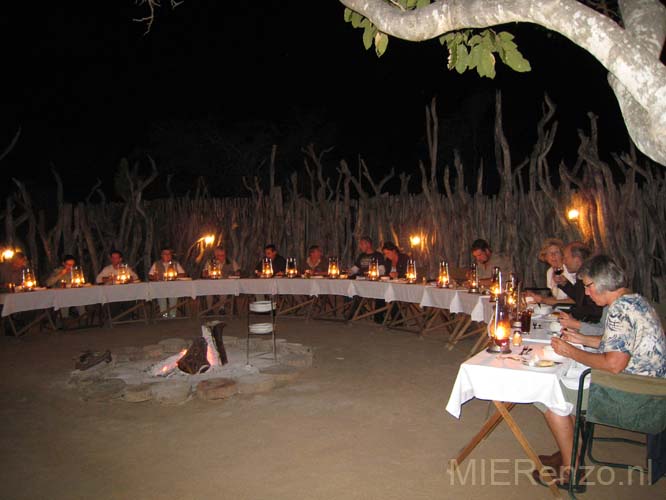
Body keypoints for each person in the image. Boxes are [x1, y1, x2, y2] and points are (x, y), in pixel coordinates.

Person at [533, 255, 666, 490]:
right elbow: (618, 343)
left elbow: (614, 364)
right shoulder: (633, 300)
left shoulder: (620, 311)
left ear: (600, 283)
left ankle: (572, 470)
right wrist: (582, 338)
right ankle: (569, 449)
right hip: (649, 388)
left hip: (637, 397)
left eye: (587, 286)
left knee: (550, 394)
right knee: (565, 380)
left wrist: (571, 351)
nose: (586, 293)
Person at [551, 242, 603, 324]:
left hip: (592, 327)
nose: (564, 262)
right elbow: (579, 297)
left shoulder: (592, 276)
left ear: (577, 259)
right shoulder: (582, 274)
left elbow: (596, 310)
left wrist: (572, 313)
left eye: (566, 258)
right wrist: (564, 283)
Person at [526, 239, 575, 305]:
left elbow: (576, 300)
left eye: (556, 252)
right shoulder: (549, 272)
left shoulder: (569, 269)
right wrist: (536, 297)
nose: (553, 255)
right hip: (560, 310)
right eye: (549, 253)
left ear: (562, 254)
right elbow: (556, 299)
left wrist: (543, 300)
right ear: (545, 257)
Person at [45, 255, 87, 321]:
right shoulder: (57, 271)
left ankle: (84, 319)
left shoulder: (75, 271)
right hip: (60, 295)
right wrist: (61, 274)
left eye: (72, 265)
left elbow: (81, 282)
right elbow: (48, 283)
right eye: (68, 265)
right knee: (64, 301)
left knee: (80, 299)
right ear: (63, 264)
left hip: (74, 294)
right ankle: (64, 320)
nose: (70, 267)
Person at [148, 248, 187, 319]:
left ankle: (172, 315)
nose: (167, 255)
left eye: (169, 254)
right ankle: (164, 315)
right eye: (165, 254)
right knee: (161, 297)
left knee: (173, 296)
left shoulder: (175, 263)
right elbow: (150, 275)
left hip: (173, 287)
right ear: (161, 255)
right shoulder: (156, 264)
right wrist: (155, 277)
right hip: (160, 287)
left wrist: (174, 275)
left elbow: (183, 274)